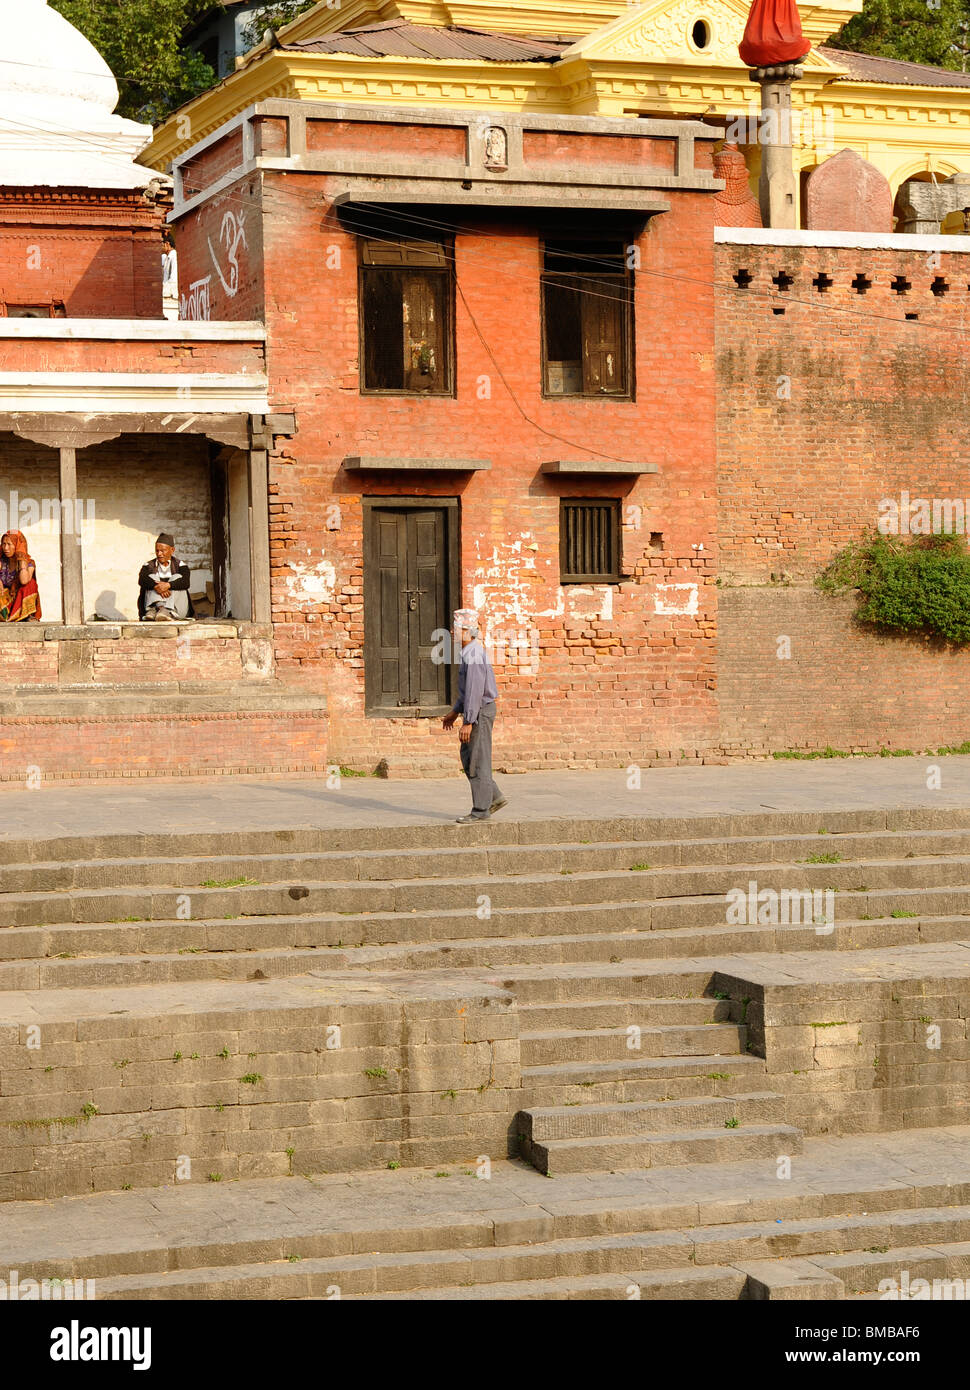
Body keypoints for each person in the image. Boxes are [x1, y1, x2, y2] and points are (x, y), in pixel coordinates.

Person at [441, 609, 507, 824]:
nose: (452, 631)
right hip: (476, 710)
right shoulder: (469, 652)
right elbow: (467, 690)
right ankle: (493, 797)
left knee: (476, 759)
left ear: (468, 631)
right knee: (471, 756)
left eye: (456, 628)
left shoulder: (474, 654)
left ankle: (481, 810)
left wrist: (468, 721)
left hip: (480, 712)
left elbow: (475, 692)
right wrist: (455, 711)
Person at [138, 533, 194, 621]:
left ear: (172, 550)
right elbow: (141, 580)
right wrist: (157, 586)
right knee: (151, 577)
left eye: (163, 550)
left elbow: (186, 582)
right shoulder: (149, 565)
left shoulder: (181, 565)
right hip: (153, 610)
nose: (159, 554)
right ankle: (154, 610)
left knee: (177, 577)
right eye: (157, 551)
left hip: (177, 610)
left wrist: (168, 585)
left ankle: (167, 611)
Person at [0, 530, 41, 621]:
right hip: (4, 600)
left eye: (9, 544)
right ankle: (6, 616)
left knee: (30, 584)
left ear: (17, 546)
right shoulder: (1, 561)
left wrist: (22, 558)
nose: (5, 548)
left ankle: (25, 616)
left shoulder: (30, 564)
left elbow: (24, 580)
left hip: (18, 601)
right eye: (3, 544)